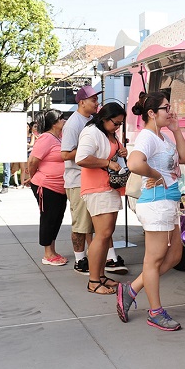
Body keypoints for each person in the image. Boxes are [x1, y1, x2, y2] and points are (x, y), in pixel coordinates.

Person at [119, 92, 185, 330]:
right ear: (151, 113)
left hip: (170, 202)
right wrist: (156, 175)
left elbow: (183, 157)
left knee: (175, 256)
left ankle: (131, 289)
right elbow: (134, 163)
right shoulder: (147, 136)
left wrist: (176, 129)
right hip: (156, 204)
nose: (170, 111)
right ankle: (155, 312)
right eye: (166, 108)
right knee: (154, 260)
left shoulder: (163, 137)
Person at [61, 86, 127, 275]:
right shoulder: (77, 125)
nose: (97, 103)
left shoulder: (97, 125)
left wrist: (118, 152)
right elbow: (68, 154)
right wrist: (101, 158)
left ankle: (106, 261)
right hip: (80, 181)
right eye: (93, 100)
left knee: (103, 231)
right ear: (81, 102)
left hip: (103, 184)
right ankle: (83, 262)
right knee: (84, 226)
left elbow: (110, 148)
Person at [75, 102, 128, 295]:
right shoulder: (91, 132)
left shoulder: (108, 133)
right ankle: (94, 281)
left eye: (121, 124)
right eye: (116, 123)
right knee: (103, 235)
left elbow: (112, 153)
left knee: (106, 234)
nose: (118, 127)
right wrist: (107, 163)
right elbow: (81, 158)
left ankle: (100, 275)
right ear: (105, 119)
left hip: (107, 187)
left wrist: (122, 152)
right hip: (97, 189)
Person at [24, 110, 69, 266]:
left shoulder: (60, 138)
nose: (64, 120)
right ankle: (47, 254)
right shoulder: (46, 138)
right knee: (48, 218)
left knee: (57, 218)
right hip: (46, 185)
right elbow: (32, 161)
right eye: (61, 118)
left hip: (60, 186)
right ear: (54, 123)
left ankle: (53, 250)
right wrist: (33, 176)